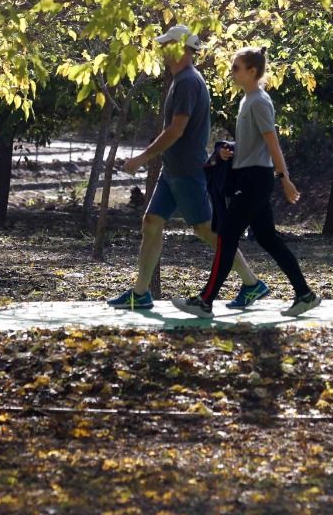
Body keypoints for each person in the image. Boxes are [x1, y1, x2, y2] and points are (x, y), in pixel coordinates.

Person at [107, 25, 264, 310]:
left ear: (180, 48)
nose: (162, 49)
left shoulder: (189, 82)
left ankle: (251, 283)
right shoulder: (181, 80)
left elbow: (176, 130)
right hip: (172, 171)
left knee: (206, 230)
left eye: (167, 44)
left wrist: (142, 158)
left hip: (188, 171)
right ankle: (141, 293)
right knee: (152, 222)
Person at [175, 47, 321, 318]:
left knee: (227, 236)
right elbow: (251, 143)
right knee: (267, 238)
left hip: (256, 179)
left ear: (252, 71)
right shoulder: (247, 100)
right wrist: (227, 151)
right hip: (248, 176)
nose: (232, 72)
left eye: (236, 67)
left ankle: (205, 301)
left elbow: (272, 142)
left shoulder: (259, 102)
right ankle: (305, 294)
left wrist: (284, 178)